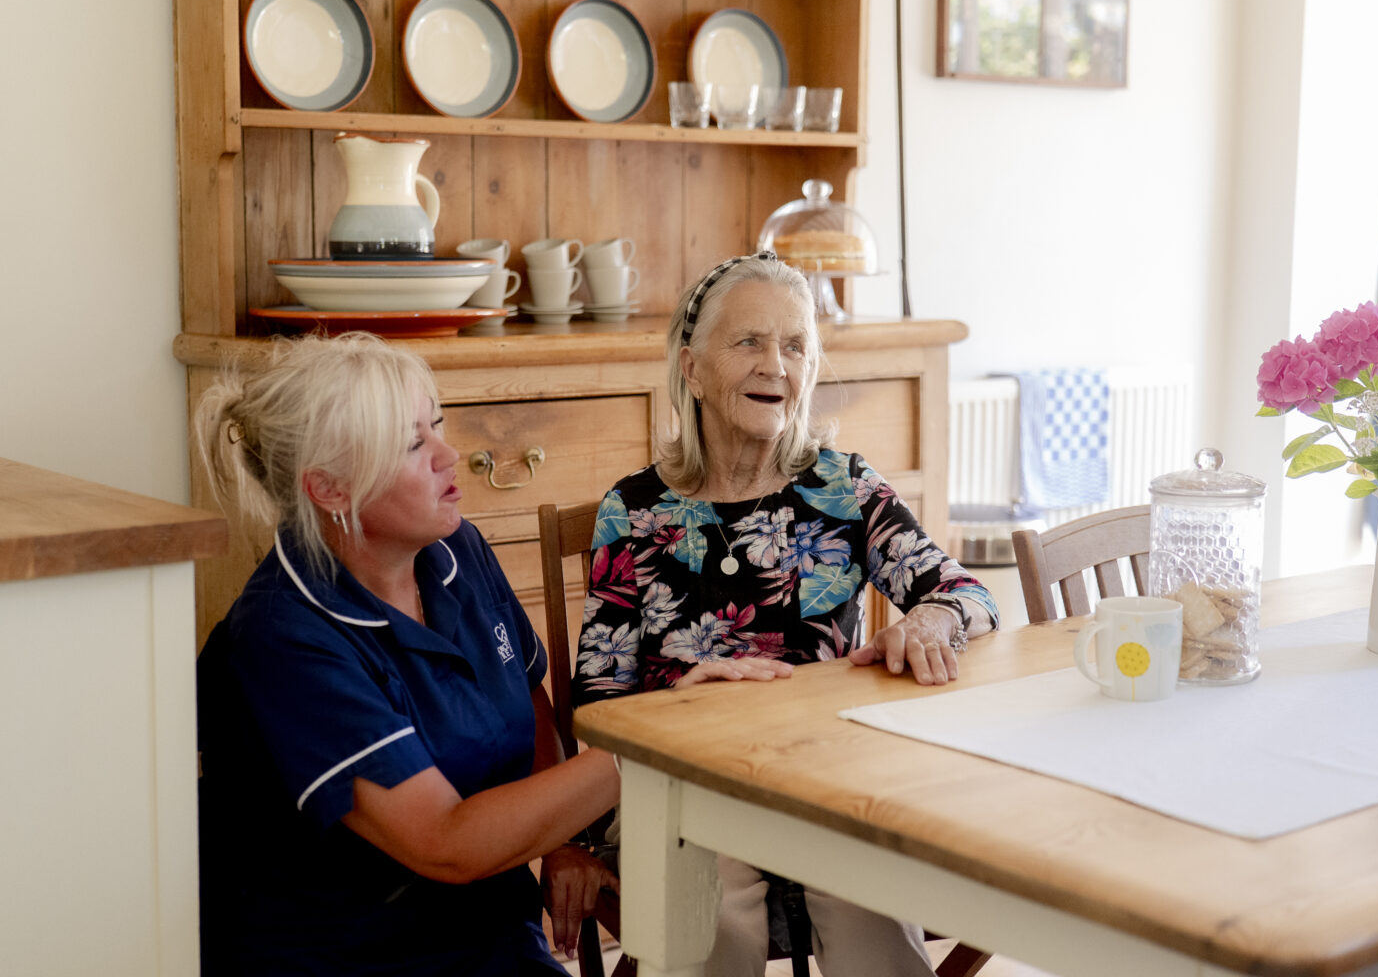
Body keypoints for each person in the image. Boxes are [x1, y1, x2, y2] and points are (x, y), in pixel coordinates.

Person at [573, 252, 998, 977]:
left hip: (821, 775)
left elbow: (969, 595)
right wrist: (675, 713)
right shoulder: (635, 510)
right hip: (683, 780)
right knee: (714, 877)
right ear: (692, 368)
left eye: (795, 346)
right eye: (748, 343)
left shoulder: (844, 487)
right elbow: (598, 699)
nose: (776, 364)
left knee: (861, 867)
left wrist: (931, 620)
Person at [194, 333, 619, 975]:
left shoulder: (457, 550)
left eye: (437, 425)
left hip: (490, 935)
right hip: (348, 959)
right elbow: (446, 842)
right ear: (329, 489)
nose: (450, 454)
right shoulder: (281, 634)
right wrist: (650, 759)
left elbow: (527, 708)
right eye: (413, 444)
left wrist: (558, 840)